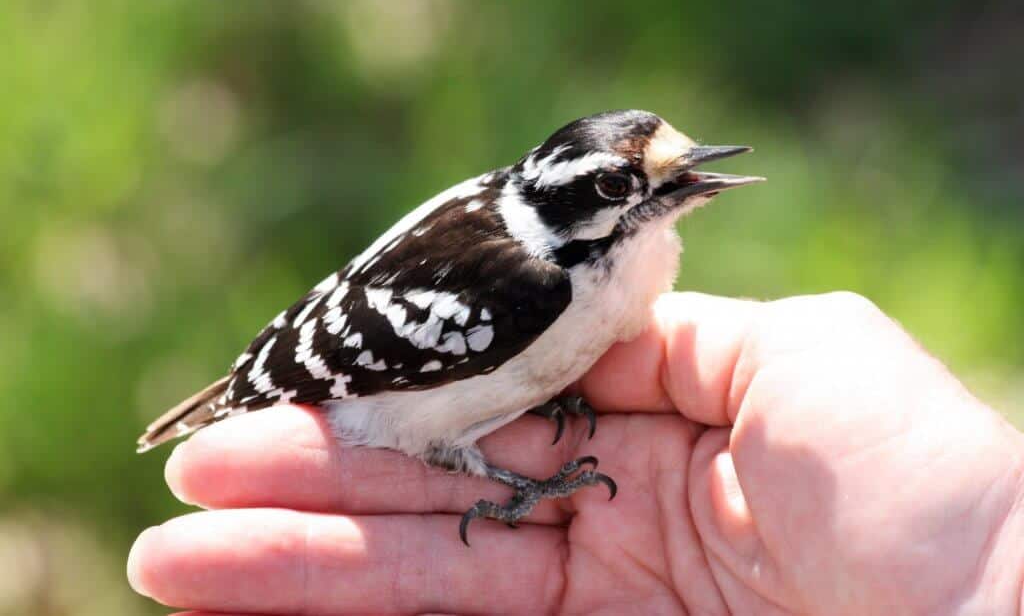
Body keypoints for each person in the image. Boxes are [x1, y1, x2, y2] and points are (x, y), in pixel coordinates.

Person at [127, 292, 1024, 615]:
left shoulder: (586, 285)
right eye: (621, 189)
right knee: (464, 456)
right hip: (393, 407)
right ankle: (507, 481)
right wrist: (520, 485)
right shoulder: (533, 288)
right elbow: (424, 426)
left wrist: (986, 570)